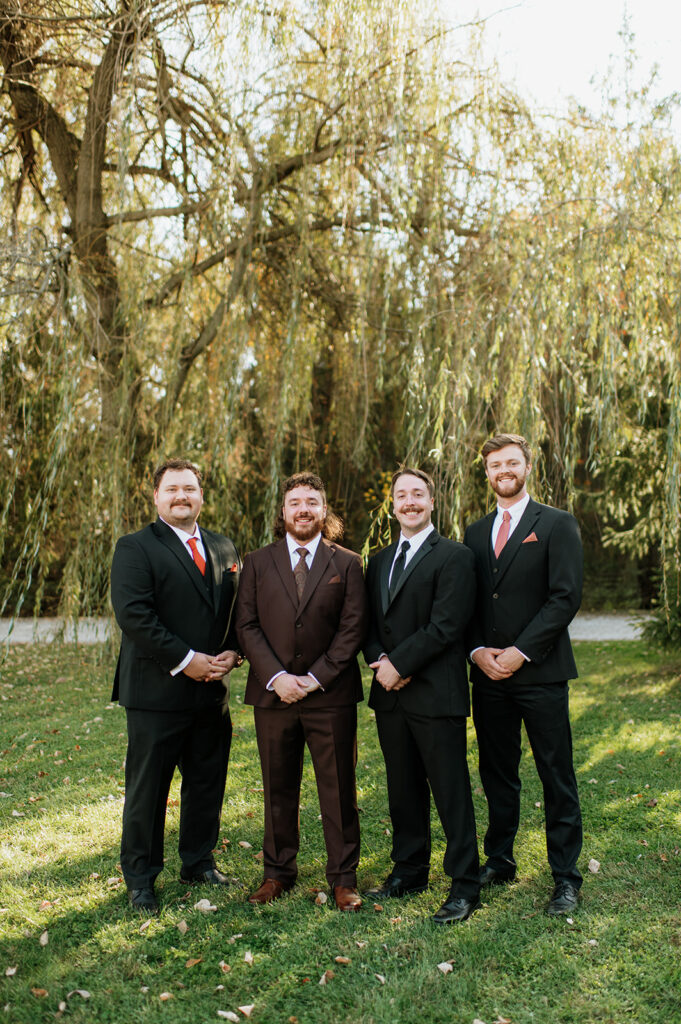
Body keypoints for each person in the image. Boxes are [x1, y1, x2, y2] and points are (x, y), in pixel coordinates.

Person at [110, 458, 241, 914]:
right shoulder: (135, 548)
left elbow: (235, 611)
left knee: (207, 781)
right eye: (172, 490)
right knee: (149, 789)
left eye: (189, 489)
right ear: (156, 497)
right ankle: (141, 878)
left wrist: (234, 650)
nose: (182, 496)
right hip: (156, 693)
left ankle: (198, 861)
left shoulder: (224, 548)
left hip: (211, 693)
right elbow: (135, 616)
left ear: (201, 496)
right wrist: (187, 662)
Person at [464, 433, 583, 915]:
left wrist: (520, 652)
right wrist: (476, 652)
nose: (503, 470)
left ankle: (565, 877)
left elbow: (564, 598)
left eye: (511, 462)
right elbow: (467, 601)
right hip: (488, 677)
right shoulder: (473, 533)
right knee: (496, 771)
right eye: (495, 464)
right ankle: (500, 858)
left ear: (527, 468)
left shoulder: (556, 524)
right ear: (488, 473)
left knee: (556, 773)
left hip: (540, 672)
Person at [235, 472, 366, 911]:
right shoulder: (256, 562)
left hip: (331, 695)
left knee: (339, 789)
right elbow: (247, 625)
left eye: (312, 501)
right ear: (283, 511)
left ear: (324, 510)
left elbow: (352, 629)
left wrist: (315, 678)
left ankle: (344, 878)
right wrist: (277, 677)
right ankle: (277, 874)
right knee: (277, 787)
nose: (303, 508)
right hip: (273, 695)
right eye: (295, 502)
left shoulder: (347, 563)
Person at [364, 468, 480, 924]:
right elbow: (369, 625)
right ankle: (409, 870)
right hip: (390, 696)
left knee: (450, 791)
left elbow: (447, 624)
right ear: (391, 505)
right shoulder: (378, 560)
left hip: (436, 693)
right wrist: (379, 662)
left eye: (418, 495)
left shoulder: (455, 556)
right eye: (401, 496)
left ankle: (465, 885)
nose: (409, 502)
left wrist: (400, 665)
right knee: (402, 789)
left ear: (432, 502)